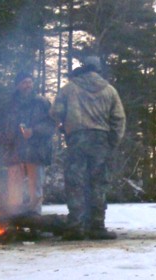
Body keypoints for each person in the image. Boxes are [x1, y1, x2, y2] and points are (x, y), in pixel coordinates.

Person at [50, 56, 126, 240]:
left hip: (77, 139)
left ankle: (76, 227)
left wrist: (63, 127)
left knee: (75, 182)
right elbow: (119, 119)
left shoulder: (69, 88)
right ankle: (97, 226)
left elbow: (55, 112)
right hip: (101, 141)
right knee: (98, 183)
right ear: (98, 70)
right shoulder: (110, 91)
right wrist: (112, 142)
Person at [0, 72, 55, 215]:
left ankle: (35, 222)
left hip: (36, 153)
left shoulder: (42, 103)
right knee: (15, 192)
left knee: (35, 192)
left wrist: (34, 131)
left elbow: (51, 125)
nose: (28, 85)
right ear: (17, 85)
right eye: (24, 82)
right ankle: (15, 223)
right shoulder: (7, 105)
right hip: (14, 153)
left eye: (30, 82)